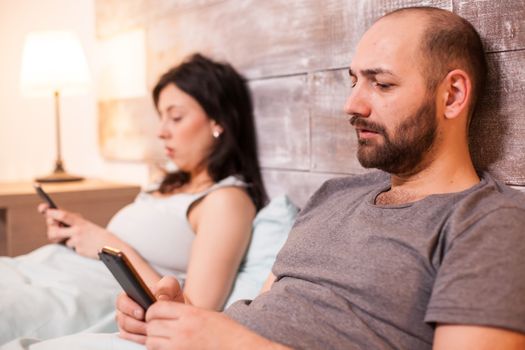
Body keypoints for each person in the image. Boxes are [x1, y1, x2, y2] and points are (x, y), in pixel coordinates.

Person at [115, 6, 525, 350]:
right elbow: (266, 313)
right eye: (354, 81)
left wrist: (233, 344)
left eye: (381, 84)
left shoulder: (489, 223)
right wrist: (180, 317)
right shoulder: (333, 195)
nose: (352, 103)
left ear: (452, 95)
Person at [0, 53, 267, 344]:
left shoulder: (226, 200)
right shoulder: (166, 184)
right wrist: (79, 232)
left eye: (175, 117)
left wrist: (109, 244)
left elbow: (194, 313)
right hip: (45, 269)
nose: (161, 131)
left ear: (219, 121)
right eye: (161, 117)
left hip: (79, 293)